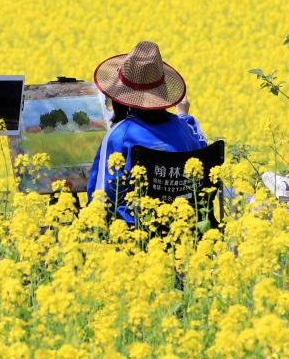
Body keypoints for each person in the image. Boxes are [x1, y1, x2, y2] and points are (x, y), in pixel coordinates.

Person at [87, 40, 207, 223]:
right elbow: (203, 152)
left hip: (134, 235)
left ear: (121, 95)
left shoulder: (120, 134)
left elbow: (100, 197)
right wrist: (183, 116)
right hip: (183, 230)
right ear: (163, 92)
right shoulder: (183, 128)